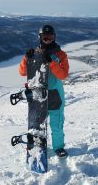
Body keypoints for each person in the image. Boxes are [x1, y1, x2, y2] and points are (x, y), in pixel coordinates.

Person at [19, 24, 69, 158]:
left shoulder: (61, 55)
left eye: (50, 37)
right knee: (36, 125)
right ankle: (37, 147)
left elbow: (63, 75)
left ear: (54, 37)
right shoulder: (35, 53)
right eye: (45, 37)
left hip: (55, 95)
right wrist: (26, 59)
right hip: (38, 96)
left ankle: (58, 147)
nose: (47, 40)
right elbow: (23, 72)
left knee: (56, 125)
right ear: (40, 37)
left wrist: (51, 61)